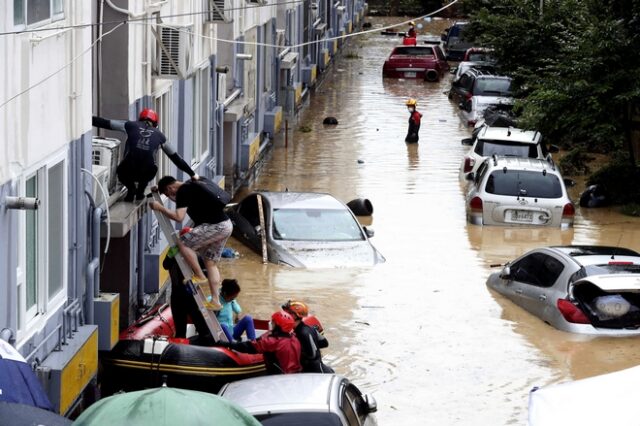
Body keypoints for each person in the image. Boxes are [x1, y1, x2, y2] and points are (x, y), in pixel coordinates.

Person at [150, 175, 233, 310]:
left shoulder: (183, 192)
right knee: (210, 262)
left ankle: (199, 275)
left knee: (182, 242)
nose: (169, 196)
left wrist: (160, 207)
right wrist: (158, 191)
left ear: (170, 187)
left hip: (216, 226)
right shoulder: (190, 186)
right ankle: (216, 302)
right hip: (226, 224)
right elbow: (179, 201)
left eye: (167, 193)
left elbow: (178, 217)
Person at [92, 108, 199, 202]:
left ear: (140, 119)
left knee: (121, 170)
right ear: (155, 123)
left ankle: (131, 189)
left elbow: (105, 123)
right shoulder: (160, 136)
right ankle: (140, 192)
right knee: (151, 166)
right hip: (146, 173)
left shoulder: (130, 125)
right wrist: (192, 174)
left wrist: (88, 119)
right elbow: (176, 158)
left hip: (128, 170)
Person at [213, 310, 302, 374]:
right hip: (295, 373)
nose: (272, 324)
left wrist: (226, 344)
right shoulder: (294, 338)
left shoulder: (273, 342)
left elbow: (249, 347)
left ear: (278, 326)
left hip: (280, 375)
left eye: (274, 323)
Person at [162, 251, 213, 345]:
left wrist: (194, 276)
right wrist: (169, 255)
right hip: (176, 297)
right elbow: (165, 265)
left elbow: (205, 273)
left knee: (201, 326)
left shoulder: (194, 255)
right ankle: (181, 350)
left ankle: (204, 346)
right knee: (180, 329)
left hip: (192, 297)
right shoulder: (173, 254)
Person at [282, 300, 334, 373]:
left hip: (316, 373)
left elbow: (312, 355)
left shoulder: (302, 333)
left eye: (286, 314)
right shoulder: (310, 328)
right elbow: (324, 343)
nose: (283, 316)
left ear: (294, 315)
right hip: (314, 370)